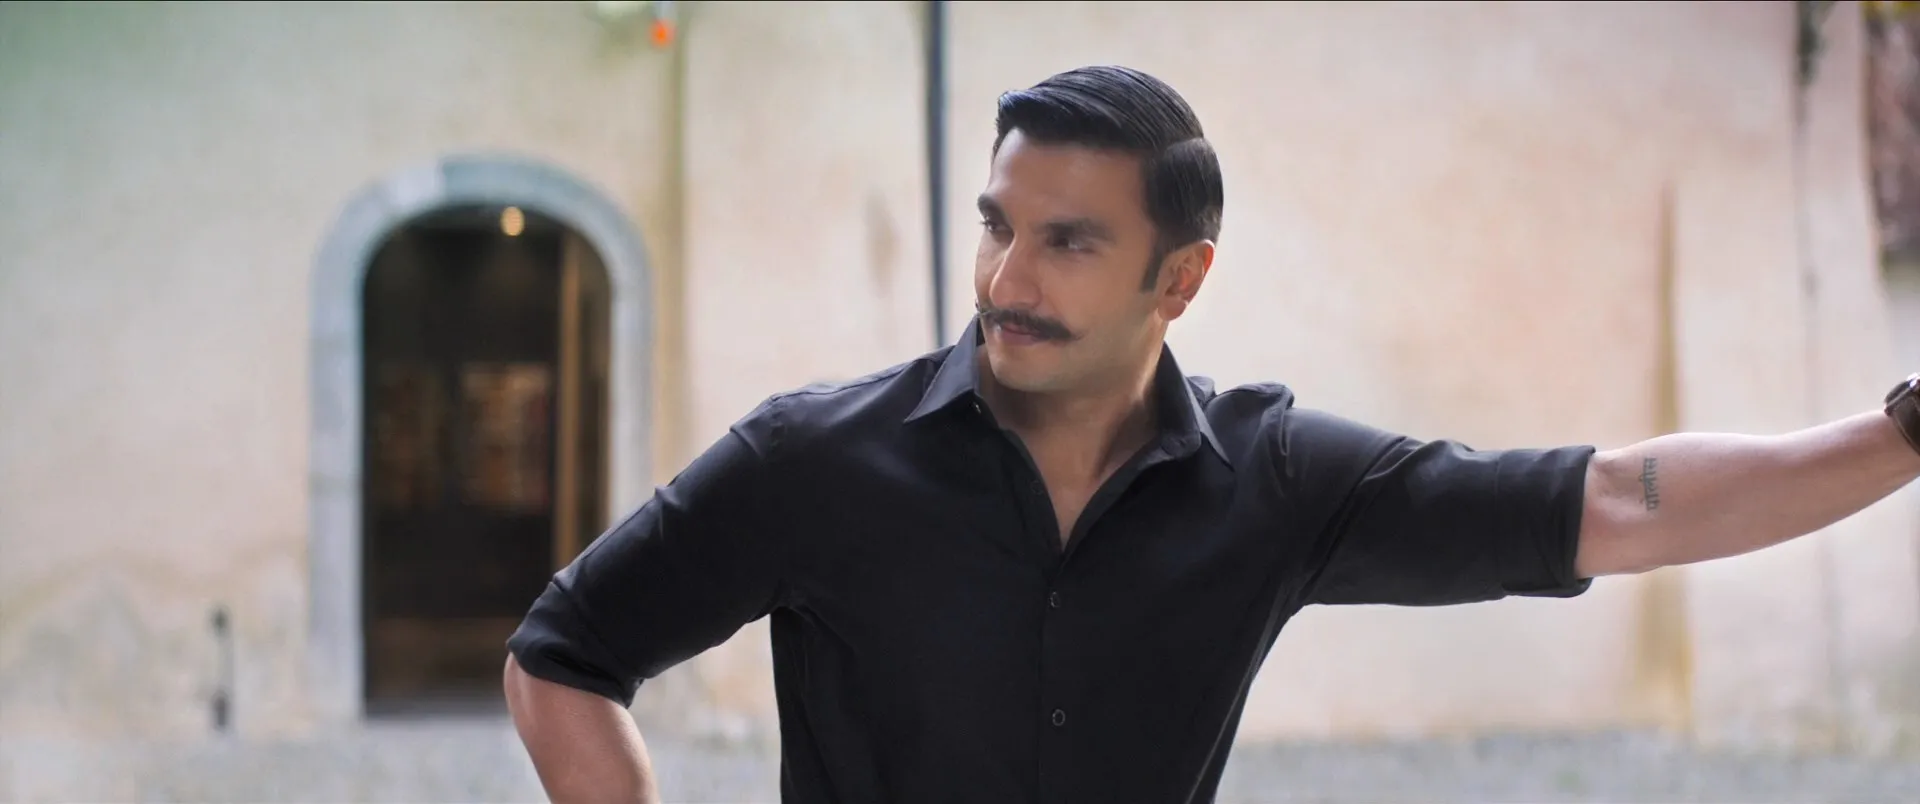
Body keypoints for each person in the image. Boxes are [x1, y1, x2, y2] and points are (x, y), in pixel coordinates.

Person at [502, 65, 1920, 804]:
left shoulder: (1273, 481)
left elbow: (1618, 504)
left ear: (1180, 280)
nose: (1004, 280)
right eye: (997, 227)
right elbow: (564, 656)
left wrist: (1905, 432)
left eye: (1067, 243)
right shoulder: (813, 462)